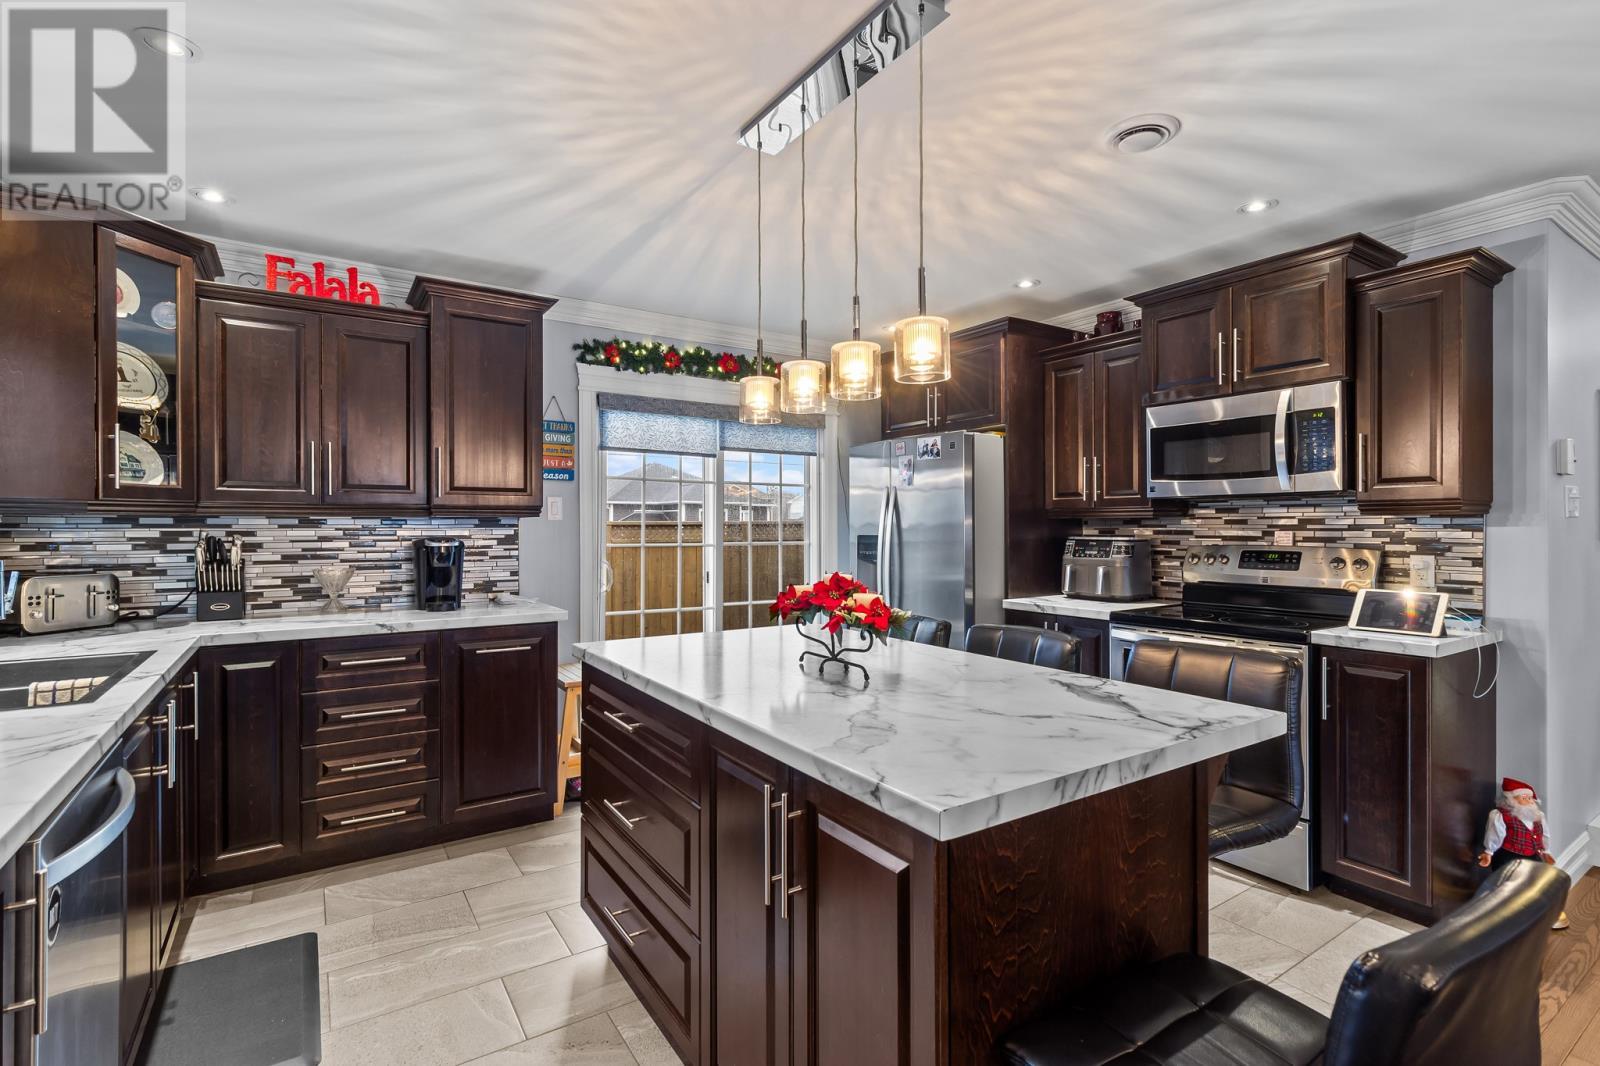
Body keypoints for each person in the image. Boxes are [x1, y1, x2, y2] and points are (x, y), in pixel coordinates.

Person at [1478, 776, 1570, 930]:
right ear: (1511, 799)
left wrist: (1546, 851)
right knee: (1509, 883)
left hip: (1533, 854)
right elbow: (1494, 835)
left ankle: (1544, 911)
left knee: (1541, 879)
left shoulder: (1538, 816)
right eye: (1524, 797)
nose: (1529, 801)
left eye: (1530, 798)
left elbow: (1544, 834)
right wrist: (1489, 852)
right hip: (1509, 855)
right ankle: (1509, 913)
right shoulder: (1500, 816)